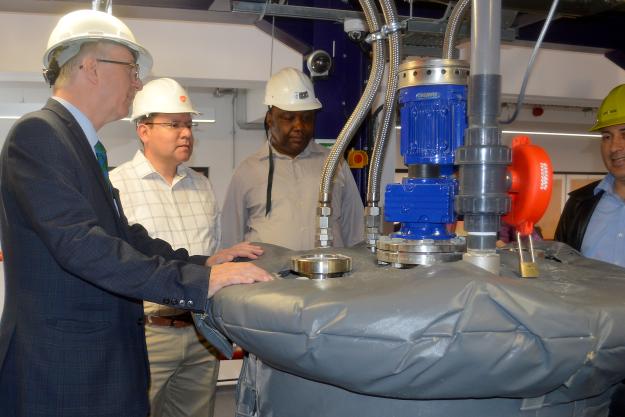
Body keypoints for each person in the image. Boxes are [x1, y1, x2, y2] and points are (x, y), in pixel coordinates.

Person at [0, 10, 271, 417]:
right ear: (91, 67)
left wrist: (202, 262)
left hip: (98, 364)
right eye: (131, 69)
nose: (138, 82)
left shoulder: (81, 145)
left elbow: (123, 236)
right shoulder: (39, 135)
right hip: (64, 372)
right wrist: (200, 282)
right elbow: (83, 247)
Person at [110, 78, 258, 417]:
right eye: (174, 124)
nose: (186, 133)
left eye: (189, 125)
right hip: (148, 335)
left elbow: (210, 250)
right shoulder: (117, 186)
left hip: (200, 331)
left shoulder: (202, 186)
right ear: (143, 130)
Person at [221, 67, 364, 251]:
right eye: (288, 117)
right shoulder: (247, 172)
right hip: (269, 278)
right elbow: (231, 243)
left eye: (307, 118)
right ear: (269, 119)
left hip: (329, 278)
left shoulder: (334, 164)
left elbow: (356, 233)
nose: (299, 126)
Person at [555, 84, 625, 267]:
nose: (614, 147)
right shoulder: (579, 203)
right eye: (607, 137)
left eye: (624, 134)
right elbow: (557, 273)